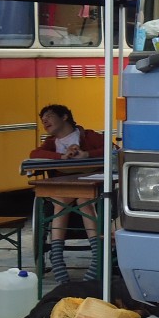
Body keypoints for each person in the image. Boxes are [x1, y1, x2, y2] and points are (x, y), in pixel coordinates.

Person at [28, 104, 107, 283]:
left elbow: (111, 149)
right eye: (42, 119)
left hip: (90, 186)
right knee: (61, 198)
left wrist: (87, 154)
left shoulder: (89, 136)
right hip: (63, 189)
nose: (45, 121)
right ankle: (57, 258)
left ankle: (96, 256)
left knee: (84, 198)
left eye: (48, 116)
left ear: (64, 117)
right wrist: (62, 157)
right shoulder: (51, 143)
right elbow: (34, 153)